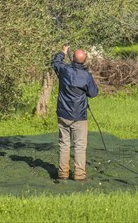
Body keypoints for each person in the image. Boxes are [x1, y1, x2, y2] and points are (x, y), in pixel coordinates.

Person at [51, 45, 98, 181]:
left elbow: (55, 63)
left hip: (63, 113)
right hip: (79, 116)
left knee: (64, 144)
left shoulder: (64, 70)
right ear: (84, 61)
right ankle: (79, 175)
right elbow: (93, 93)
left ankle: (63, 173)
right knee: (79, 146)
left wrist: (62, 52)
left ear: (73, 60)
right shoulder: (86, 76)